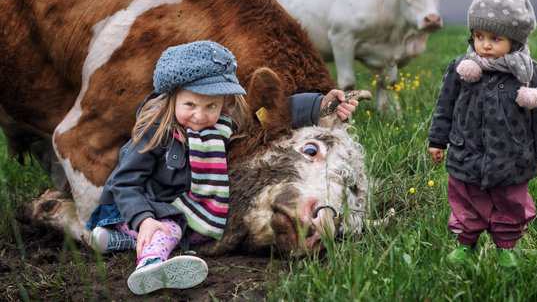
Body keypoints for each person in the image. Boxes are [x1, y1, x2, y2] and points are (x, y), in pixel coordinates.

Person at [85, 40, 359, 294]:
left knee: (197, 232)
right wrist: (144, 220)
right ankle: (150, 266)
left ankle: (116, 240)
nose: (200, 115)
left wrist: (318, 104)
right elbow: (124, 183)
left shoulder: (222, 123)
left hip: (178, 205)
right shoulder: (154, 133)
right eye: (190, 104)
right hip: (143, 205)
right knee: (170, 230)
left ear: (225, 103)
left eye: (211, 105)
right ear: (171, 98)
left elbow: (274, 111)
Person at [427, 0, 537, 268]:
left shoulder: (532, 76)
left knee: (511, 200)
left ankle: (506, 245)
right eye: (478, 36)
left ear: (516, 40)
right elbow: (444, 107)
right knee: (465, 198)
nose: (484, 45)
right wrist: (438, 140)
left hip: (513, 157)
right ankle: (465, 242)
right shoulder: (462, 69)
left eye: (495, 39)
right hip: (466, 152)